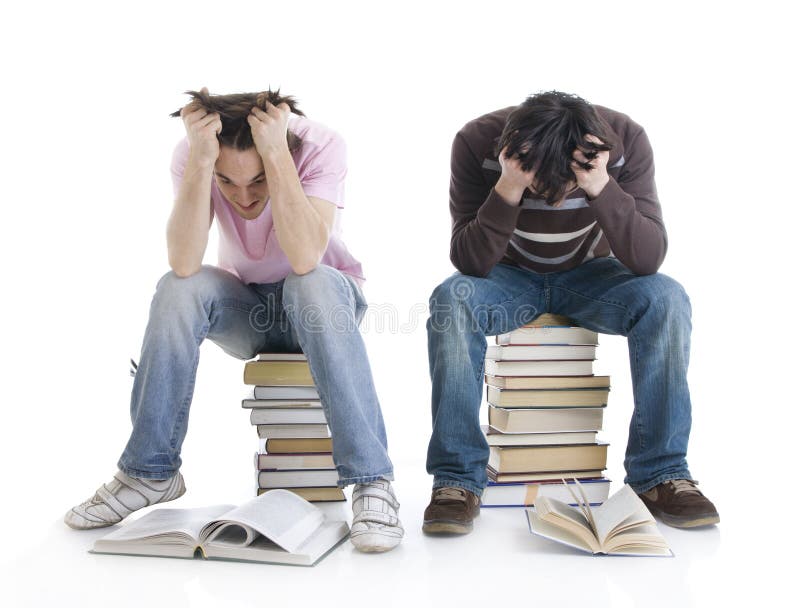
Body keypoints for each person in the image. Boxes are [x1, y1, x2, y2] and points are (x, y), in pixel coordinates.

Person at [64, 88, 403, 553]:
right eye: (228, 182)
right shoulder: (194, 153)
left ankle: (372, 482)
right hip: (249, 308)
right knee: (177, 287)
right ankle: (148, 472)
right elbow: (183, 263)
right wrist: (203, 162)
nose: (243, 197)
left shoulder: (322, 144)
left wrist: (276, 154)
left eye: (257, 180)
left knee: (311, 281)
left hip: (324, 301)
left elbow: (306, 257)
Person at [422, 91, 719, 535]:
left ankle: (660, 474)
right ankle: (456, 480)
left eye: (567, 187)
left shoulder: (624, 140)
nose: (557, 202)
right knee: (452, 297)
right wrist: (509, 186)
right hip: (509, 278)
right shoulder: (475, 141)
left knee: (666, 297)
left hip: (592, 276)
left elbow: (647, 258)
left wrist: (600, 185)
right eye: (545, 186)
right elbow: (470, 263)